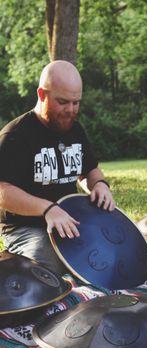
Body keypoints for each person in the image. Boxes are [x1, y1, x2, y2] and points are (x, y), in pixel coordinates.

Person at [0, 60, 115, 274]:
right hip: (27, 227)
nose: (71, 110)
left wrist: (99, 184)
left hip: (71, 219)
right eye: (63, 102)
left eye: (76, 102)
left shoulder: (75, 129)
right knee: (46, 272)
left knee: (111, 255)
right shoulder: (15, 136)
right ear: (42, 94)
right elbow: (2, 192)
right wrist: (47, 209)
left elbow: (89, 170)